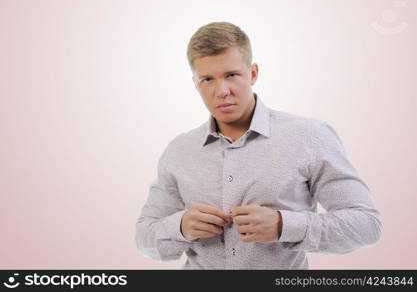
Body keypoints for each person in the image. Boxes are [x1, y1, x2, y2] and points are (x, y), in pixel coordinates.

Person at [135, 21, 382, 269]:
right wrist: (180, 227)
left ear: (253, 73)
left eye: (231, 75)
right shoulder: (179, 151)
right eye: (207, 79)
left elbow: (366, 225)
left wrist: (283, 225)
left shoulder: (310, 137)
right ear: (196, 84)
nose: (222, 91)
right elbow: (144, 238)